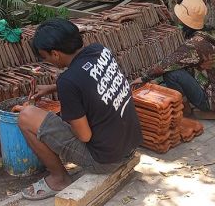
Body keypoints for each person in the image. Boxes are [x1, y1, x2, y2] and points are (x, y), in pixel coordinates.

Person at [17, 18, 142, 200]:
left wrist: (58, 125)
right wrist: (54, 88)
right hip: (130, 143)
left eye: (45, 58)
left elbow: (84, 136)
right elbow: (90, 80)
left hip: (106, 160)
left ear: (55, 54)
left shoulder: (68, 82)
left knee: (26, 116)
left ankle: (59, 178)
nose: (48, 62)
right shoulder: (100, 50)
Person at [132, 0, 215, 113]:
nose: (179, 21)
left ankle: (182, 108)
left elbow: (168, 63)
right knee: (177, 69)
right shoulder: (209, 33)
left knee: (171, 74)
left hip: (213, 102)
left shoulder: (195, 44)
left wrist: (144, 77)